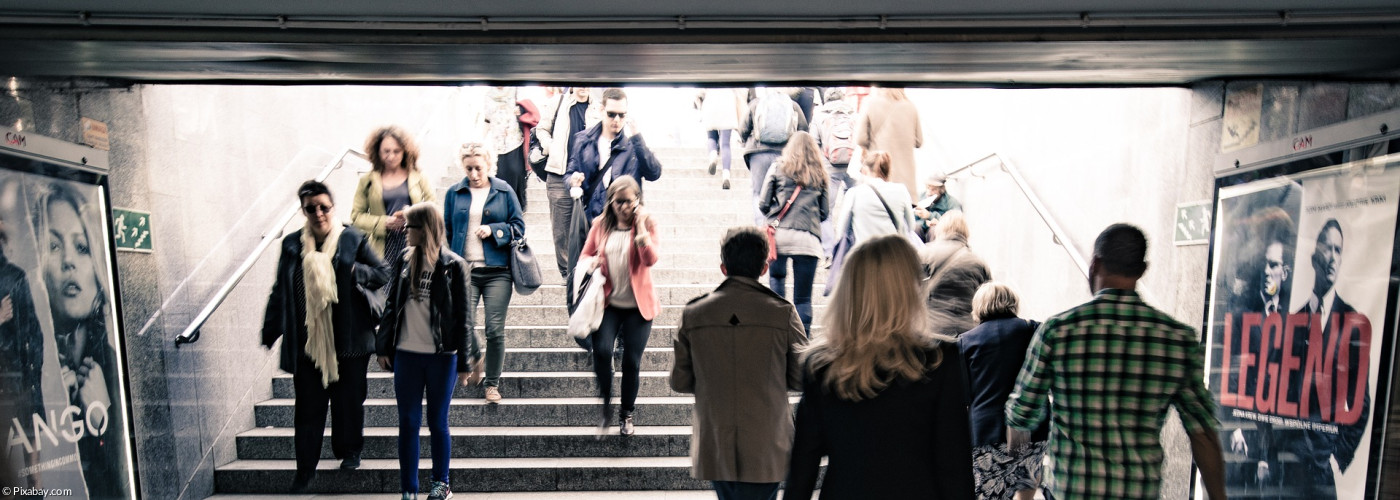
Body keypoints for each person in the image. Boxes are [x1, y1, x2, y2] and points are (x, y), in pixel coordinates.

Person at [1005, 224, 1226, 500]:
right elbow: (1203, 432)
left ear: (1095, 263)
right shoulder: (1177, 339)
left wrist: (1024, 491)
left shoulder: (1058, 331)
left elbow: (1020, 415)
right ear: (1142, 270)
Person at [786, 235, 974, 500]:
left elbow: (803, 465)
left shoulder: (820, 364)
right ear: (908, 288)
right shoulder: (941, 359)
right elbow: (954, 463)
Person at [261, 180, 390, 491]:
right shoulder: (292, 244)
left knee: (349, 403)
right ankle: (305, 470)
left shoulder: (352, 239)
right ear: (303, 211)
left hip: (350, 341)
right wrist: (271, 328)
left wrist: (356, 272)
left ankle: (349, 451)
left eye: (324, 207)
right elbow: (281, 289)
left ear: (333, 206)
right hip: (308, 343)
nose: (318, 213)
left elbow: (383, 272)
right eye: (311, 208)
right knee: (308, 408)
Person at [670, 226, 806, 500]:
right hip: (767, 443)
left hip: (716, 442)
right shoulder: (782, 312)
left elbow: (680, 381)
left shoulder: (694, 313)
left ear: (723, 267)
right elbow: (801, 378)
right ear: (765, 267)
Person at [376, 202, 484, 500]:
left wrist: (465, 362)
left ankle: (441, 483)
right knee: (408, 422)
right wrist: (383, 345)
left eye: (410, 226)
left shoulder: (453, 264)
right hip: (406, 354)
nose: (405, 231)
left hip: (441, 357)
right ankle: (409, 489)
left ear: (424, 229)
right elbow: (391, 305)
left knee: (438, 421)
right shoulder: (404, 259)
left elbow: (464, 317)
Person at [1280, 218, 1366, 499]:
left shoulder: (1351, 323)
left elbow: (1361, 404)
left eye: (1338, 250)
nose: (1332, 257)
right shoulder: (1294, 321)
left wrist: (1337, 455)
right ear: (1314, 256)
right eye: (1327, 249)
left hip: (1320, 471)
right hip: (1287, 464)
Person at [444, 143, 526, 404]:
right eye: (469, 168)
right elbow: (447, 229)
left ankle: (492, 383)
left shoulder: (503, 190)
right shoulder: (454, 193)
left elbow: (519, 227)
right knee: (462, 324)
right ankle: (477, 356)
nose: (474, 174)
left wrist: (495, 231)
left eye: (478, 168)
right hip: (465, 271)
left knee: (494, 329)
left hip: (497, 271)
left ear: (489, 165)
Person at [578, 176, 659, 435]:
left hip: (638, 305)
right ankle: (605, 404)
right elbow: (585, 254)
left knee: (631, 363)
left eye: (629, 201)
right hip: (609, 302)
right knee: (601, 351)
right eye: (618, 201)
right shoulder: (600, 225)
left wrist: (641, 229)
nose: (623, 207)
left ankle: (627, 414)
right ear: (611, 202)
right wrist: (591, 263)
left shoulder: (646, 223)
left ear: (637, 201)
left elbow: (650, 260)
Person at [958, 282, 1046, 500]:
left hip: (988, 433)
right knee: (1026, 493)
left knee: (990, 496)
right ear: (1012, 303)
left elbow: (964, 394)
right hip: (1032, 428)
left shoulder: (965, 342)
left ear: (978, 307)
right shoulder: (1033, 330)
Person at [757, 131, 829, 336]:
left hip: (779, 239)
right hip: (808, 241)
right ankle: (802, 337)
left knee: (777, 284)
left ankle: (777, 332)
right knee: (803, 298)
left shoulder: (778, 167)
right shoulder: (820, 174)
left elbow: (763, 203)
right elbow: (824, 213)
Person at [566, 88, 664, 222]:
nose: (617, 119)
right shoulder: (583, 140)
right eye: (611, 114)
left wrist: (637, 137)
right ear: (601, 110)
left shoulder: (634, 145)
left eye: (622, 115)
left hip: (625, 221)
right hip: (593, 220)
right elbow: (569, 173)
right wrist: (572, 180)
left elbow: (654, 173)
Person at [536, 87, 602, 279]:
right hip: (559, 173)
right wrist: (551, 147)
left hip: (588, 178)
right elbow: (541, 129)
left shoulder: (597, 108)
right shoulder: (558, 102)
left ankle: (587, 270)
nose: (583, 85)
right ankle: (568, 274)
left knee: (590, 225)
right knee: (561, 230)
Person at [0, 215, 43, 489]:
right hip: (12, 383)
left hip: (20, 382)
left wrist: (31, 378)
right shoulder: (15, 276)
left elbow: (34, 334)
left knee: (31, 471)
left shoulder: (15, 276)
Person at [352, 126, 436, 260]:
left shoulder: (419, 176)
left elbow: (433, 207)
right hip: (382, 246)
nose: (390, 157)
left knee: (411, 280)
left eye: (396, 151)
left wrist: (411, 213)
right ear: (377, 151)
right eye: (386, 151)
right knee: (385, 280)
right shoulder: (367, 180)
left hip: (414, 242)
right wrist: (383, 222)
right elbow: (356, 217)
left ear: (405, 151)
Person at [739, 88, 810, 225]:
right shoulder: (792, 105)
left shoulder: (756, 103)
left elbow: (743, 129)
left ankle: (761, 228)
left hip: (758, 153)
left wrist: (744, 141)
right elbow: (803, 130)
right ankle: (780, 223)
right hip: (784, 153)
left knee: (758, 194)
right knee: (782, 191)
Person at [919, 211, 990, 337]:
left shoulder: (924, 254)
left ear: (940, 229)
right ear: (965, 233)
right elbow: (988, 303)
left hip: (930, 330)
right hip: (966, 334)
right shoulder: (979, 263)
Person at [831, 151, 916, 248]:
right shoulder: (901, 190)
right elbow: (911, 226)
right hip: (894, 254)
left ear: (865, 170)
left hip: (864, 255)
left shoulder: (854, 193)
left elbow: (841, 231)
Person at [856, 86, 924, 198]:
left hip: (880, 176)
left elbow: (861, 139)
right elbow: (919, 142)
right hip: (906, 184)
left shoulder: (870, 103)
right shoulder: (911, 106)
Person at [483, 86, 535, 211]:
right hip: (497, 144)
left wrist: (521, 111)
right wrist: (481, 140)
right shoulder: (488, 95)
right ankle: (504, 209)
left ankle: (518, 208)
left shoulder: (516, 90)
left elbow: (529, 109)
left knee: (516, 173)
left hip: (515, 141)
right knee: (499, 176)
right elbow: (487, 120)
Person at [695, 88, 746, 189]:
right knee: (725, 144)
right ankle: (726, 176)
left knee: (711, 137)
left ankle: (713, 155)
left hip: (711, 102)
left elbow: (699, 93)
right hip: (728, 103)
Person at [914, 172, 961, 242]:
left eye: (933, 190)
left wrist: (931, 216)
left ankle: (932, 252)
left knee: (934, 229)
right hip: (922, 229)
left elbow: (956, 223)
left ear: (942, 190)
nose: (929, 193)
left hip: (941, 235)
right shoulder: (920, 197)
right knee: (915, 228)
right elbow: (910, 218)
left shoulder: (951, 202)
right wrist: (924, 222)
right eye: (928, 188)